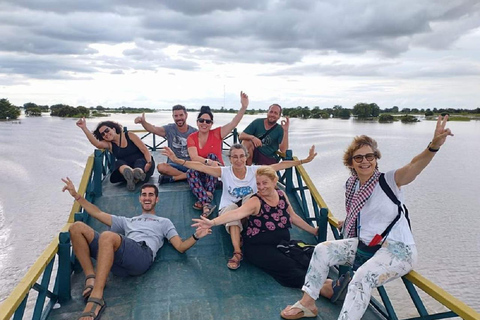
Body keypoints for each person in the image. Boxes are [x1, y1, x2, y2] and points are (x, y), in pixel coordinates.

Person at [280, 116, 454, 320]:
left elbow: (414, 165)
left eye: (370, 156)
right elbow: (360, 212)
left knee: (362, 279)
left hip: (398, 250)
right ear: (351, 162)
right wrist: (348, 222)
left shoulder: (388, 181)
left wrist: (433, 146)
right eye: (359, 157)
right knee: (322, 250)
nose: (365, 161)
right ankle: (308, 304)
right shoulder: (352, 185)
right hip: (367, 245)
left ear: (376, 158)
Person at [62, 178, 211, 320]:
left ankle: (97, 297)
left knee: (107, 236)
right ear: (139, 199)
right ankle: (91, 277)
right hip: (118, 259)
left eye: (151, 195)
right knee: (77, 228)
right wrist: (76, 195)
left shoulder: (164, 222)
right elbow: (98, 213)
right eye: (144, 195)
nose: (147, 198)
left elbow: (180, 246)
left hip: (141, 256)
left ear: (157, 199)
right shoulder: (128, 221)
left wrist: (196, 236)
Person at [163, 143, 317, 270]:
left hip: (249, 207)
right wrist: (177, 160)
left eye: (241, 156)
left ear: (246, 157)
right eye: (234, 157)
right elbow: (200, 167)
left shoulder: (254, 171)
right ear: (230, 159)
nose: (238, 160)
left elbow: (279, 165)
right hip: (231, 207)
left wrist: (303, 161)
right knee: (232, 214)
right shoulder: (224, 172)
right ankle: (237, 252)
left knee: (252, 198)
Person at [192, 166, 321, 288]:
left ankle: (327, 285)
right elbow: (236, 213)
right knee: (289, 267)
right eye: (258, 184)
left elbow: (292, 216)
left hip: (281, 244)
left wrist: (313, 231)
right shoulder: (255, 201)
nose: (261, 187)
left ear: (274, 181)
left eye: (265, 183)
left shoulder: (281, 194)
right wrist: (212, 222)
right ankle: (323, 288)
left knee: (306, 257)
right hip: (258, 247)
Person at [186, 91, 249, 217]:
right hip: (202, 173)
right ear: (197, 122)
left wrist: (243, 107)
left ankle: (206, 196)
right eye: (201, 120)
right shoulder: (191, 137)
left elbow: (233, 123)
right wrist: (208, 162)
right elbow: (194, 157)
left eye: (207, 121)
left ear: (211, 124)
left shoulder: (217, 133)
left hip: (218, 175)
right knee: (191, 171)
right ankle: (206, 201)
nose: (204, 123)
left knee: (212, 156)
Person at [76, 118, 155, 191]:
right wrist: (84, 128)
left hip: (144, 164)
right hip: (128, 166)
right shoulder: (110, 145)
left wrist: (149, 162)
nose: (106, 134)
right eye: (103, 134)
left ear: (113, 129)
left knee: (139, 161)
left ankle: (137, 173)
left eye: (107, 130)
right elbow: (97, 144)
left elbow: (145, 150)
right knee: (119, 163)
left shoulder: (129, 135)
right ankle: (132, 175)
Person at [134, 105, 197, 184]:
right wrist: (143, 122)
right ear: (173, 117)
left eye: (181, 115)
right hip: (174, 165)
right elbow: (154, 129)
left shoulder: (194, 132)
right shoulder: (170, 129)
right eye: (176, 116)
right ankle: (190, 177)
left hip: (190, 165)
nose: (179, 118)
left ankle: (176, 178)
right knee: (161, 167)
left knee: (201, 169)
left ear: (186, 115)